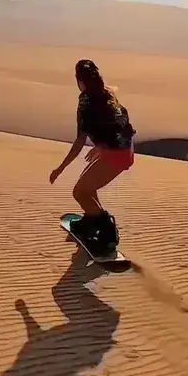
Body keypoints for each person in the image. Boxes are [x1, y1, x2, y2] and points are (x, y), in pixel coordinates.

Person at [49, 59, 135, 253]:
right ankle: (90, 222)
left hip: (116, 154)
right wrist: (104, 146)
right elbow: (123, 122)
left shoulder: (86, 101)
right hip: (123, 149)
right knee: (87, 187)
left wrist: (60, 168)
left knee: (79, 192)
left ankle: (107, 230)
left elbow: (80, 141)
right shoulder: (107, 93)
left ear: (81, 81)